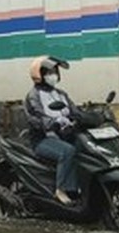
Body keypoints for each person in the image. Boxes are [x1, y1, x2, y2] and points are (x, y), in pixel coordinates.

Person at [24, 55, 81, 205]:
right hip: (43, 139)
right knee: (67, 151)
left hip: (63, 136)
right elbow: (36, 118)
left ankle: (79, 188)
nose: (53, 75)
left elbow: (74, 111)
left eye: (55, 72)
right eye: (49, 73)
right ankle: (61, 190)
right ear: (39, 75)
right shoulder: (34, 96)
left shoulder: (61, 94)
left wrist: (85, 117)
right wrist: (53, 123)